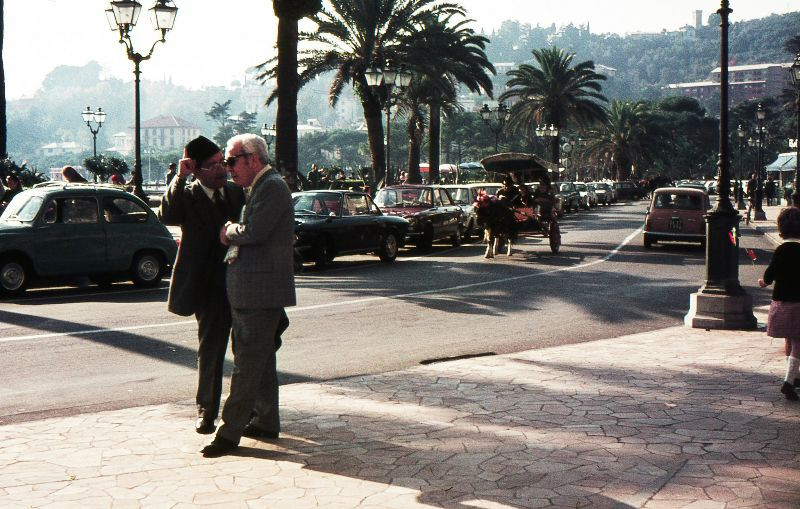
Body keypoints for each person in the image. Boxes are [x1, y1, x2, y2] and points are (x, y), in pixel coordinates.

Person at [201, 133, 296, 458]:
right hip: (252, 292)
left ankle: (229, 433)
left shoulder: (271, 186)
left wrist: (228, 231)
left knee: (247, 365)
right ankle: (266, 421)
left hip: (259, 293)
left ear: (252, 159)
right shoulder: (260, 186)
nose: (228, 169)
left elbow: (255, 231)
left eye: (231, 161)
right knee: (261, 361)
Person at [159, 135, 246, 435]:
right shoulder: (187, 195)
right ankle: (207, 411)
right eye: (212, 166)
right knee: (211, 350)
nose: (221, 169)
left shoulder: (236, 194)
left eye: (223, 162)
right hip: (208, 288)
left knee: (248, 349)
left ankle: (248, 410)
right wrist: (178, 178)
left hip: (240, 282)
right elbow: (167, 213)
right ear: (195, 169)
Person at [758, 207, 800, 401]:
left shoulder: (781, 250)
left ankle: (794, 376)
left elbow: (769, 275)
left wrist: (763, 282)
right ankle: (788, 381)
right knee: (798, 342)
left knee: (790, 340)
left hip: (781, 303)